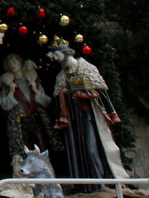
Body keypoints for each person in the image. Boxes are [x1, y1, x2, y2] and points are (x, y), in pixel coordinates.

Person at [50, 38, 128, 188]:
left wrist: (110, 112)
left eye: (56, 54)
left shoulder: (87, 68)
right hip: (74, 120)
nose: (54, 58)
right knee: (78, 151)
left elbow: (101, 94)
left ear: (64, 53)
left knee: (93, 148)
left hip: (91, 118)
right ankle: (87, 187)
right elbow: (58, 99)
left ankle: (101, 183)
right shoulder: (62, 76)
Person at [0, 53, 59, 175]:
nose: (12, 65)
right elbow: (4, 104)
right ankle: (24, 177)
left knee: (41, 146)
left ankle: (46, 173)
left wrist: (35, 90)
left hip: (35, 119)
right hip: (19, 121)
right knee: (20, 148)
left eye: (14, 62)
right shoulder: (8, 85)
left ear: (21, 63)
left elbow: (46, 101)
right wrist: (11, 92)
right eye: (9, 63)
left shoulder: (32, 80)